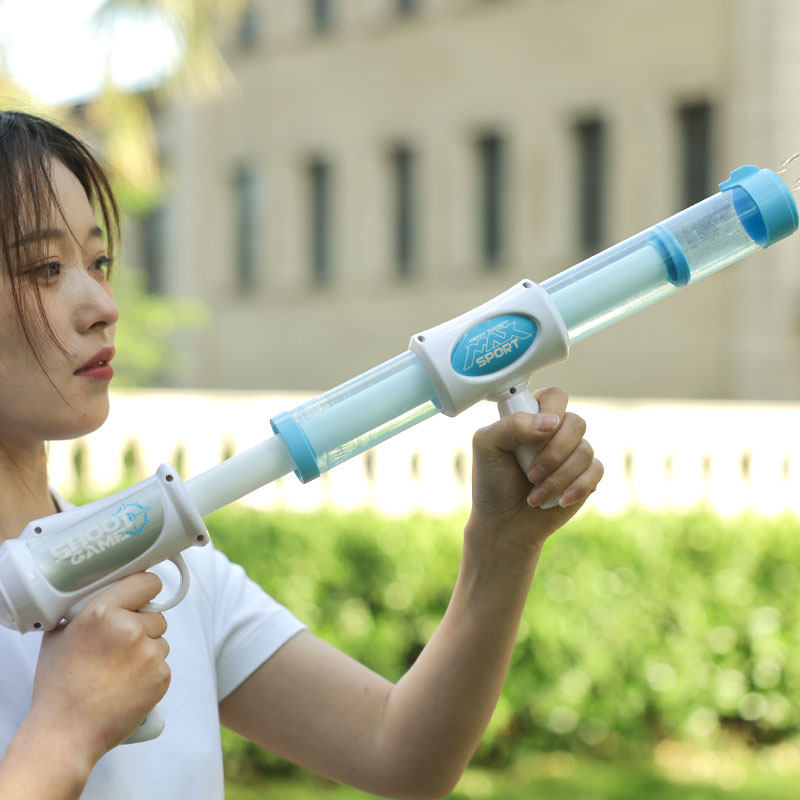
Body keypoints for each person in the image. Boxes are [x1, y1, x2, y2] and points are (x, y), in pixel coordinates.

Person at [0, 110, 603, 800]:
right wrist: (64, 733)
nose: (103, 305)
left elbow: (402, 754)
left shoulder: (165, 574)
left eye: (98, 262)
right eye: (45, 268)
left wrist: (504, 543)